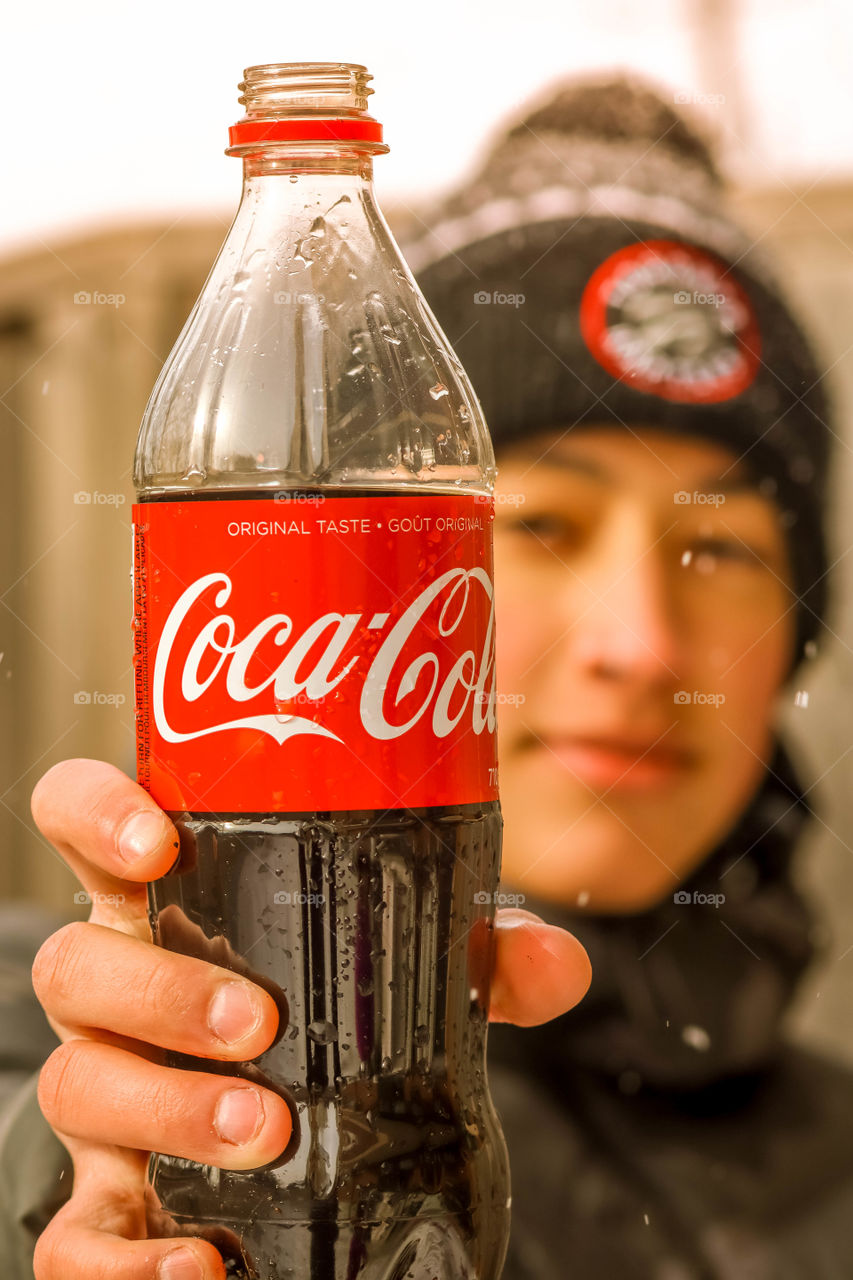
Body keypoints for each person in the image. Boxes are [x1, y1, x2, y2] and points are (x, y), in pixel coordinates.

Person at [5, 75, 853, 1279]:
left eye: (715, 545)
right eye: (548, 524)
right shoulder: (52, 1045)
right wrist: (58, 1185)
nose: (638, 643)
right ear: (373, 578)